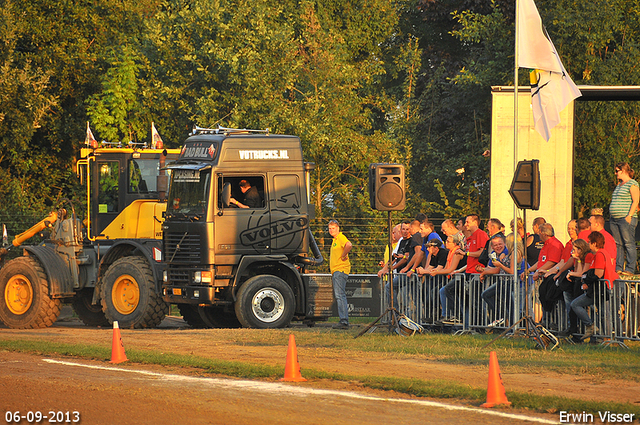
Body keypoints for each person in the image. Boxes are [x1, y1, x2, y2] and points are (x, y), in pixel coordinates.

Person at [571, 231, 619, 341]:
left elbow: (598, 274)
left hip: (603, 288)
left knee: (576, 304)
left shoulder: (600, 254)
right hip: (602, 288)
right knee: (602, 313)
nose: (588, 244)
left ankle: (594, 329)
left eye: (589, 242)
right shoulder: (600, 253)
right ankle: (603, 337)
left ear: (594, 243)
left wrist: (586, 280)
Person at [609, 162, 639, 274]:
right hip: (615, 219)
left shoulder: (632, 184)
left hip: (625, 219)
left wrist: (629, 216)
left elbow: (636, 201)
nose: (615, 173)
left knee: (628, 243)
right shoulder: (619, 185)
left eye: (617, 171)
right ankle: (619, 267)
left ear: (623, 171)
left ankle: (630, 269)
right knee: (618, 244)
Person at [328, 220, 352, 329]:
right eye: (330, 228)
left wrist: (343, 255)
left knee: (340, 295)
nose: (331, 230)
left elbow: (349, 245)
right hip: (337, 271)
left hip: (340, 270)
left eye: (333, 228)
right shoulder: (335, 240)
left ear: (338, 228)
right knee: (340, 295)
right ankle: (343, 320)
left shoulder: (341, 237)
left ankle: (344, 321)